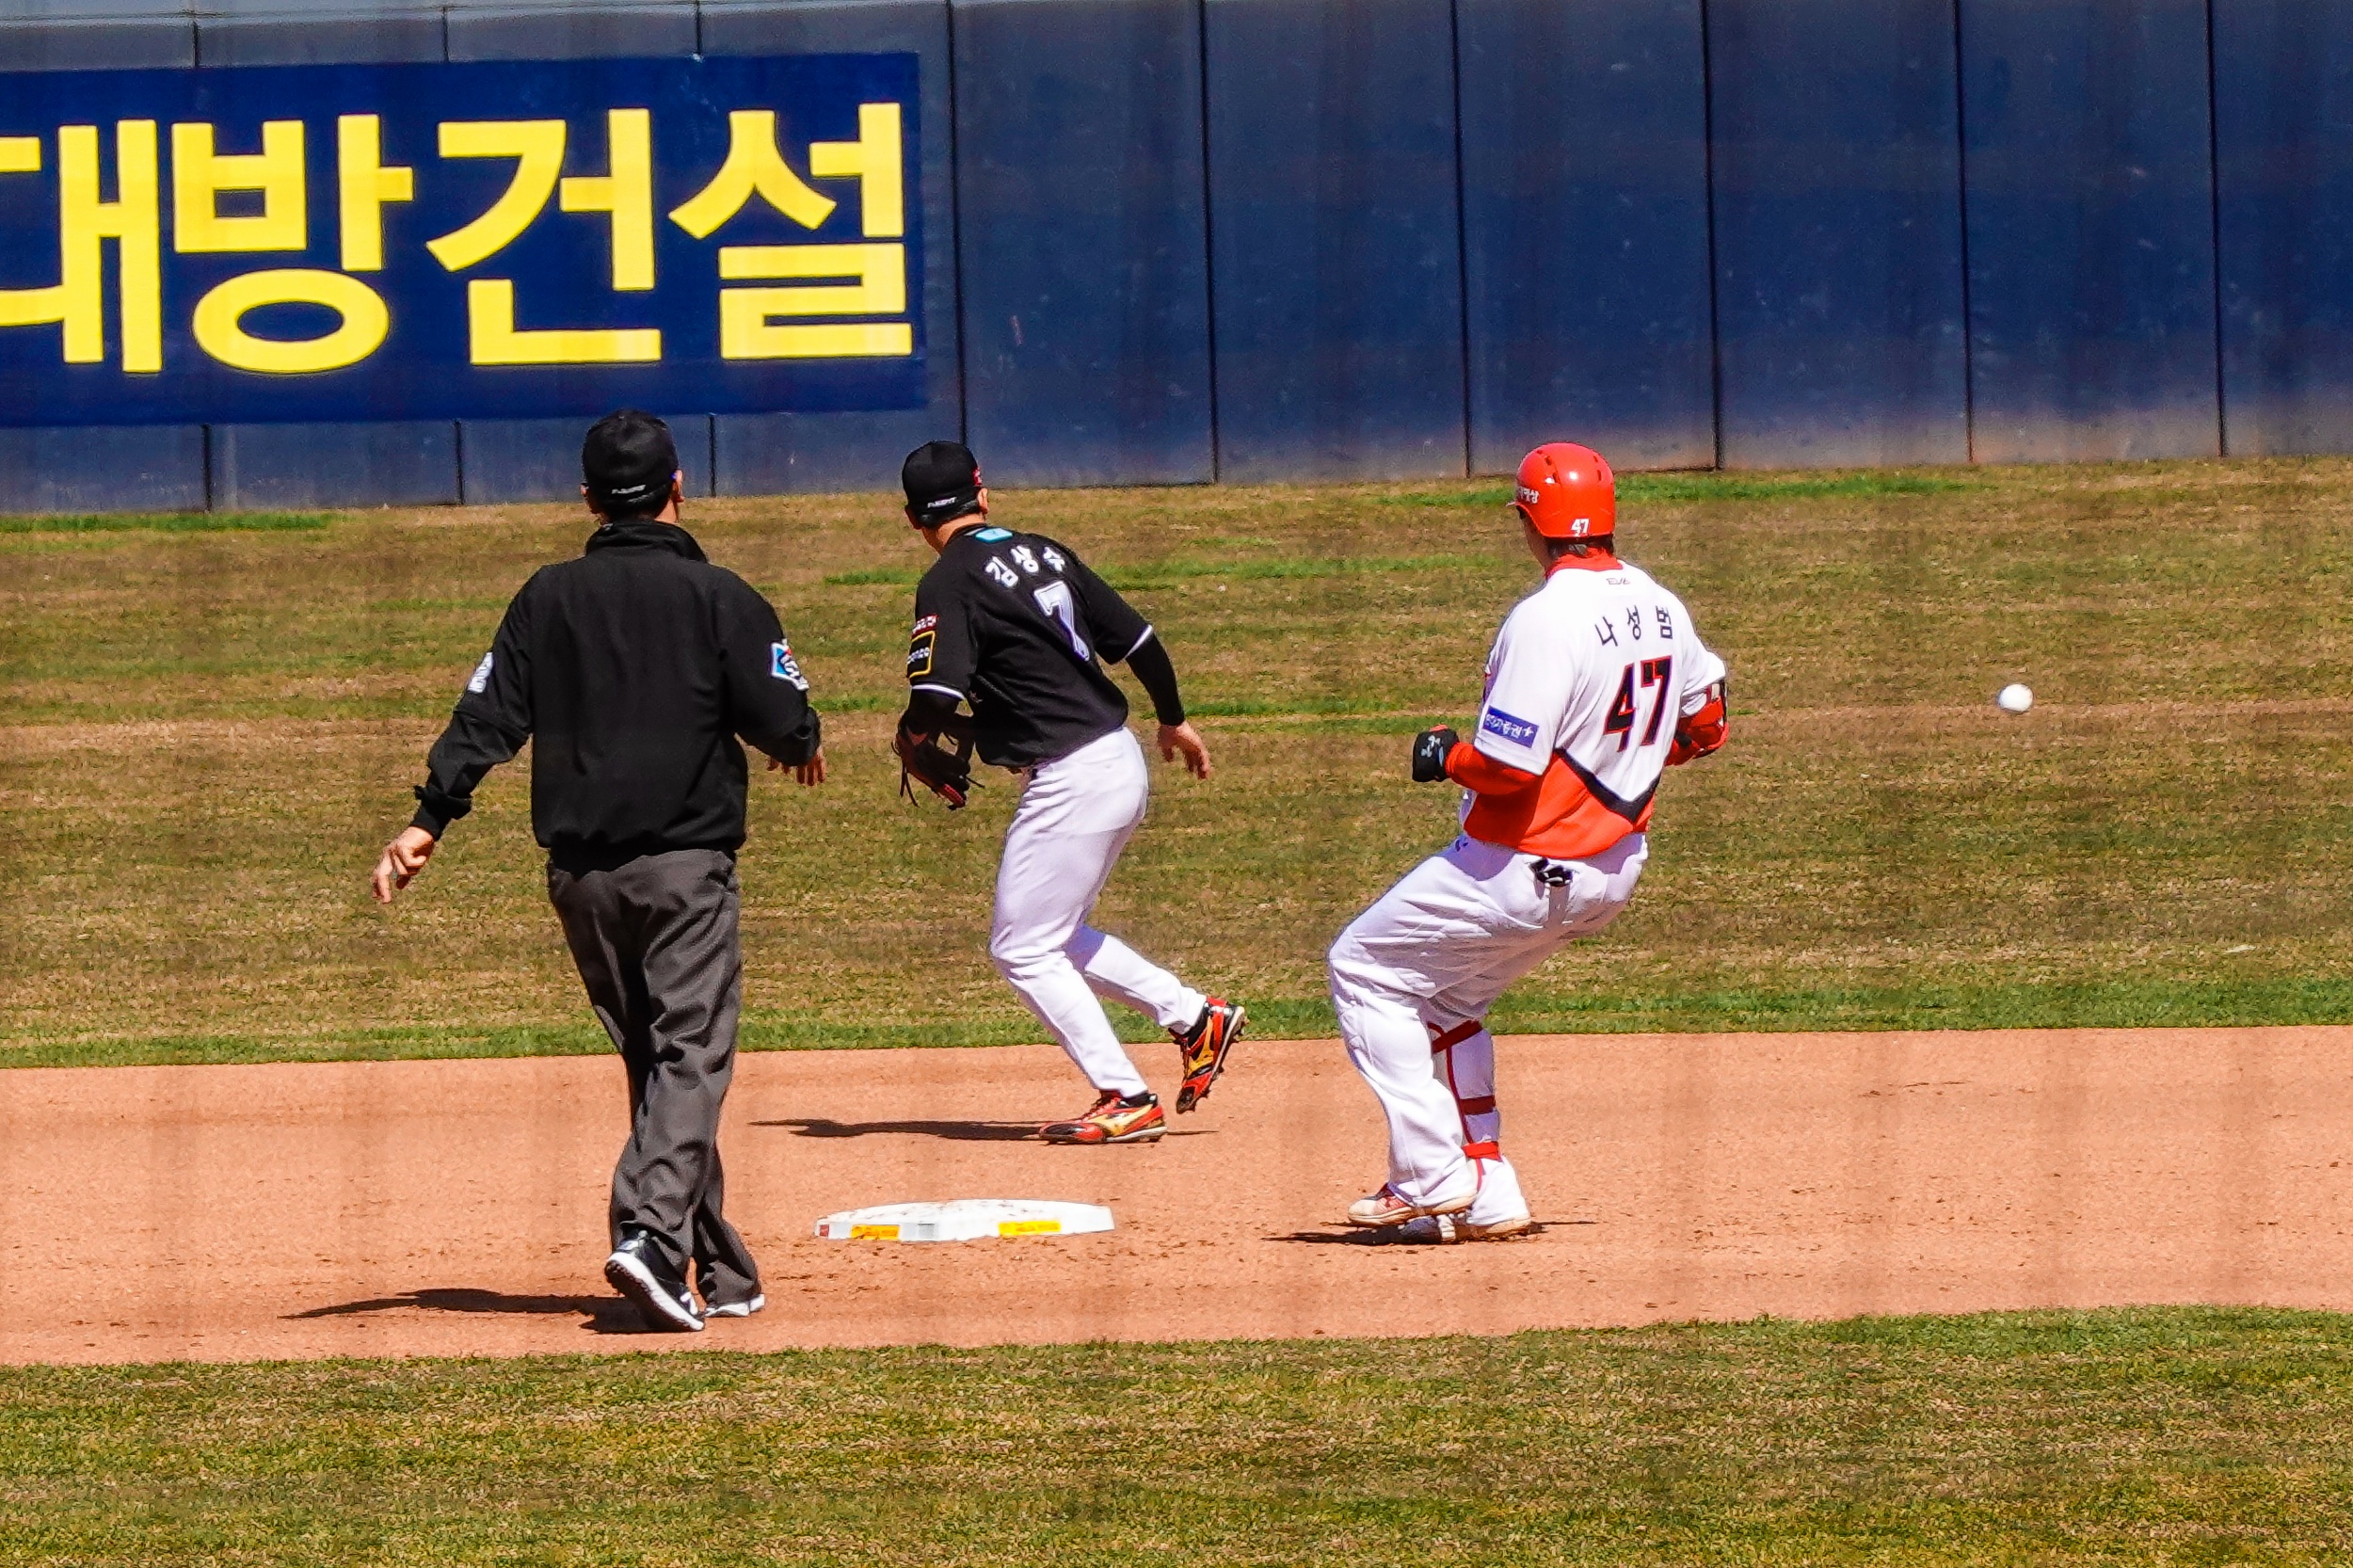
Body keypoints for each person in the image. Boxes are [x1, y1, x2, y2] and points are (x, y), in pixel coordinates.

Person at [368, 409, 825, 1331]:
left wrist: (429, 820)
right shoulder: (720, 596)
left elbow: (487, 717)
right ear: (679, 487)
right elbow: (786, 721)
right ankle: (648, 1237)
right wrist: (799, 740)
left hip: (582, 882)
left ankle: (721, 1271)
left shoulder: (547, 596)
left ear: (588, 498)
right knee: (691, 1056)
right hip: (683, 872)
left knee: (660, 1066)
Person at [1327, 441, 1729, 1240]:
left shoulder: (1546, 618)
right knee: (1448, 1001)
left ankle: (1428, 1175)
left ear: (1527, 520)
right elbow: (1707, 725)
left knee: (1362, 966)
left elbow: (1509, 767)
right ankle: (1488, 1189)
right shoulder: (1661, 604)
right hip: (1612, 873)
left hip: (1521, 866)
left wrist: (1447, 757)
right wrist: (1627, 760)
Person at [892, 440, 1244, 1144]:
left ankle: (1126, 1094)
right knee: (1051, 934)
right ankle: (1193, 1017)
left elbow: (934, 695)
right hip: (1117, 760)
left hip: (1073, 779)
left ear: (912, 518)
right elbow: (1140, 642)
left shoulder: (948, 581)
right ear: (982, 494)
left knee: (1021, 949)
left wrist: (908, 739)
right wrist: (1172, 719)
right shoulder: (1045, 552)